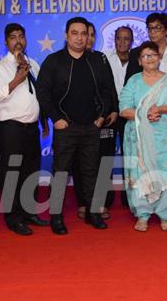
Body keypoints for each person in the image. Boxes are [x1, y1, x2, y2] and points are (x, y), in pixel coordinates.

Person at [36, 16, 116, 234]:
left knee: (91, 172)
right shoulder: (53, 61)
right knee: (61, 173)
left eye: (84, 33)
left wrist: (101, 116)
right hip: (65, 128)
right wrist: (55, 118)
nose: (80, 38)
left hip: (91, 127)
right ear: (66, 35)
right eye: (75, 33)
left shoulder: (96, 61)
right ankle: (56, 217)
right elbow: (43, 93)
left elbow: (108, 90)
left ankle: (94, 213)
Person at [119, 41, 167, 231]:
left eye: (153, 55)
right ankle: (142, 215)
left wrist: (160, 109)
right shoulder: (134, 81)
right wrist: (144, 113)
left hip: (165, 138)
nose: (149, 59)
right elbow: (123, 109)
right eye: (145, 56)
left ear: (160, 57)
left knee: (166, 173)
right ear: (139, 60)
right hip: (139, 139)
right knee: (140, 173)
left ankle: (166, 214)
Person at [0, 23, 50, 236]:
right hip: (11, 127)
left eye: (21, 36)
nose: (18, 41)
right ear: (6, 42)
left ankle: (28, 212)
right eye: (13, 37)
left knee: (30, 171)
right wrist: (15, 81)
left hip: (31, 128)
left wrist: (43, 122)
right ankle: (13, 217)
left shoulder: (32, 63)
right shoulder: (1, 68)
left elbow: (38, 94)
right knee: (11, 173)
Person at [72, 21, 118, 220]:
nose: (87, 38)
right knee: (81, 164)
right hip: (80, 123)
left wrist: (113, 110)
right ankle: (84, 202)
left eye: (91, 35)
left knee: (102, 163)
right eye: (84, 34)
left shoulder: (101, 59)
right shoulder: (69, 58)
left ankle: (102, 202)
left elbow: (110, 88)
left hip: (103, 120)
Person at [107, 26, 133, 208]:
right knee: (105, 156)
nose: (122, 42)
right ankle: (105, 198)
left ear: (132, 41)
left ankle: (129, 196)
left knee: (130, 157)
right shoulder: (104, 59)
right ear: (114, 40)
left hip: (130, 115)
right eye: (119, 38)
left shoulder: (138, 61)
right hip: (109, 115)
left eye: (126, 38)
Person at [124, 12, 167, 82]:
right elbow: (129, 83)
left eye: (158, 28)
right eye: (150, 28)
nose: (152, 31)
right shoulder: (136, 53)